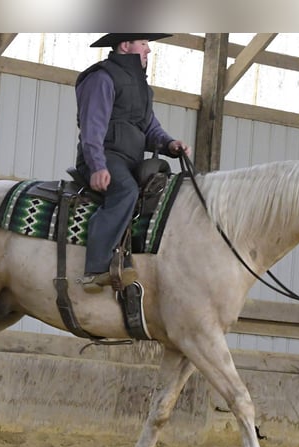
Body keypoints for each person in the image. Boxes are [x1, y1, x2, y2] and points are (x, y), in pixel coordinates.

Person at [75, 33, 192, 294]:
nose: (148, 50)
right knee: (126, 190)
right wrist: (97, 166)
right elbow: (91, 126)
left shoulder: (142, 88)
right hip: (106, 157)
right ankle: (95, 270)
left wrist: (170, 144)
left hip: (132, 160)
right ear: (125, 45)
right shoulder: (101, 78)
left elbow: (151, 128)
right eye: (143, 43)